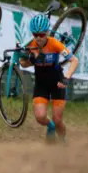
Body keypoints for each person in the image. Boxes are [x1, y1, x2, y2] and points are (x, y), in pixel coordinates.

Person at [19, 14, 79, 143]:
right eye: (35, 35)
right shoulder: (30, 44)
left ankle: (62, 141)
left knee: (58, 120)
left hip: (57, 82)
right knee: (40, 117)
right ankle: (50, 126)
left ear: (47, 32)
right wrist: (32, 60)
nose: (39, 38)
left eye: (41, 35)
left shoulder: (55, 44)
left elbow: (74, 60)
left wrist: (67, 77)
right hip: (41, 84)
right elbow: (22, 63)